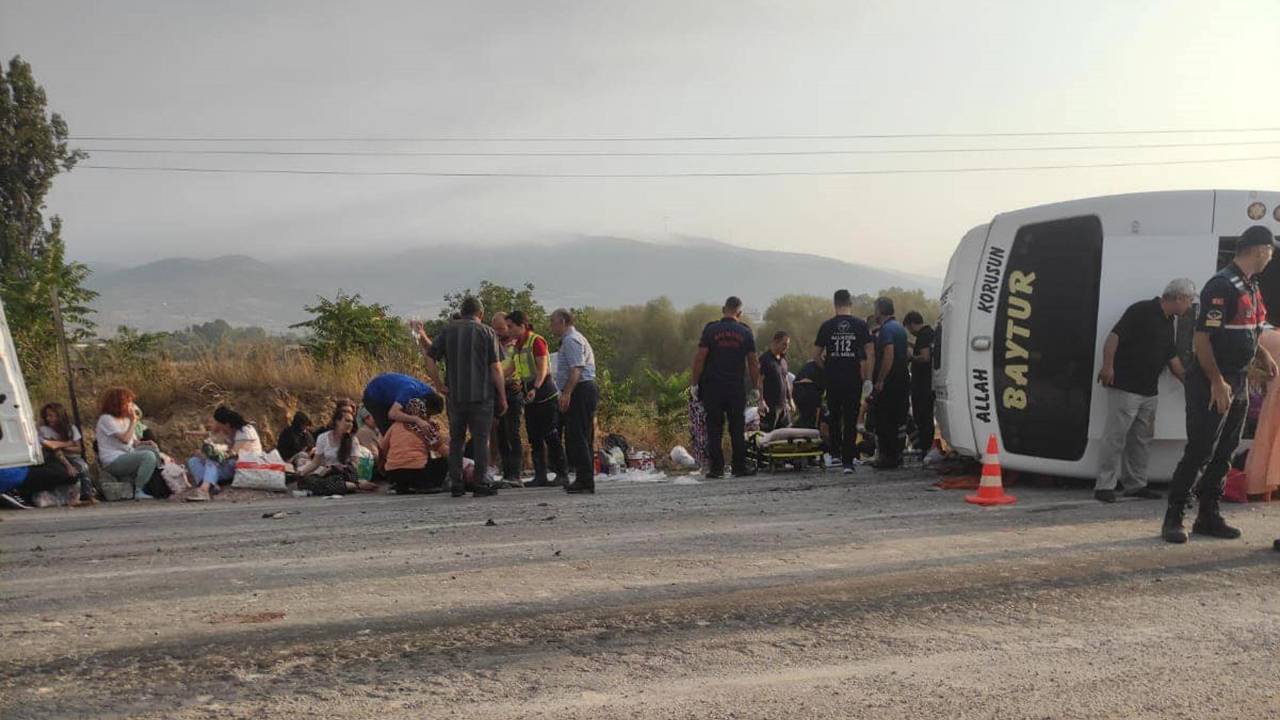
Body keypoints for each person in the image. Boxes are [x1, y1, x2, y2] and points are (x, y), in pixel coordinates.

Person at [1163, 225, 1278, 543]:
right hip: (1212, 382)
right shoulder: (1222, 285)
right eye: (1270, 250)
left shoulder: (1250, 287)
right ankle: (1174, 516)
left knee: (1225, 452)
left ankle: (1208, 515)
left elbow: (1248, 330)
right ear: (1259, 250)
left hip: (1239, 382)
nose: (1271, 256)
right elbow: (1202, 340)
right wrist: (1216, 382)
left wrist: (1262, 355)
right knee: (1200, 450)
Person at [1094, 279, 1195, 503]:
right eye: (1189, 300)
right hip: (1126, 387)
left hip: (1150, 391)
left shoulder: (1169, 322)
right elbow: (1114, 337)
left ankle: (1136, 484)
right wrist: (1108, 365)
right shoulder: (1141, 310)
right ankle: (1104, 485)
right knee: (1115, 437)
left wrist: (1191, 384)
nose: (1190, 306)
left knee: (1141, 439)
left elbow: (1172, 357)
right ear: (1178, 298)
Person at [426, 296, 508, 498]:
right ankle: (480, 482)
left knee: (456, 440)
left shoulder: (448, 330)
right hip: (481, 397)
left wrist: (439, 384)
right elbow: (496, 368)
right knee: (481, 440)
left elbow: (429, 357)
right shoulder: (488, 332)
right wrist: (503, 396)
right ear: (480, 314)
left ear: (462, 312)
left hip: (455, 397)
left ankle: (456, 483)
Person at [691, 297, 764, 479]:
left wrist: (694, 383)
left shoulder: (711, 330)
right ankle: (739, 467)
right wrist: (756, 387)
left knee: (714, 428)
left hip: (712, 387)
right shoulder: (746, 332)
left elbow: (700, 358)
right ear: (739, 313)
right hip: (735, 388)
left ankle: (716, 469)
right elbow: (753, 363)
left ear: (724, 309)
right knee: (736, 428)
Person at [814, 290, 874, 474]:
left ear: (835, 304)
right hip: (852, 378)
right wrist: (868, 378)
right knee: (850, 419)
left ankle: (835, 455)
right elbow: (870, 352)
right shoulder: (861, 325)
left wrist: (828, 368)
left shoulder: (827, 326)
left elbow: (816, 355)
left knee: (834, 417)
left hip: (833, 379)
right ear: (850, 304)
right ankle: (848, 461)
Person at [509, 310, 568, 487]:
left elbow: (542, 368)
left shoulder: (536, 341)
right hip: (529, 397)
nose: (508, 329)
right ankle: (540, 475)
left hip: (544, 394)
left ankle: (562, 473)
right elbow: (512, 368)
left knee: (551, 435)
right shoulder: (518, 345)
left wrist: (535, 387)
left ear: (522, 326)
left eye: (511, 326)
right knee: (534, 437)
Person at [550, 307, 599, 494]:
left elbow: (577, 369)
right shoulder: (572, 339)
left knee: (578, 436)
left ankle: (585, 480)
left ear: (563, 322)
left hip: (580, 389)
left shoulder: (571, 340)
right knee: (580, 436)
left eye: (553, 322)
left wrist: (567, 393)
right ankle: (584, 478)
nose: (551, 327)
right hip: (581, 389)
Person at [94, 387, 162, 497]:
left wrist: (146, 443)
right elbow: (125, 440)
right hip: (113, 460)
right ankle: (139, 490)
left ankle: (155, 486)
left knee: (152, 450)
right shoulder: (106, 419)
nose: (131, 405)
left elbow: (133, 442)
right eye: (128, 402)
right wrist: (133, 421)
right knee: (148, 456)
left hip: (127, 454)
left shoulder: (125, 419)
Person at [184, 406, 262, 501]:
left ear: (227, 424)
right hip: (230, 465)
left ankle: (204, 490)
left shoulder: (245, 431)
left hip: (243, 466)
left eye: (218, 423)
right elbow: (211, 436)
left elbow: (234, 453)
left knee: (212, 461)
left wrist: (216, 454)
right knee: (193, 461)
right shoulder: (228, 431)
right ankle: (210, 485)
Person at [296, 407, 378, 494]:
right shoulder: (323, 438)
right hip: (327, 474)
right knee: (305, 481)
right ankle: (351, 486)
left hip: (345, 474)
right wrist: (302, 473)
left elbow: (354, 465)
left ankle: (349, 485)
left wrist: (334, 468)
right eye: (347, 421)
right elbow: (315, 463)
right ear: (337, 421)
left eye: (351, 422)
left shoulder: (353, 440)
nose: (350, 424)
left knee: (331, 482)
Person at [380, 395, 450, 494]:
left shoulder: (395, 426)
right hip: (417, 472)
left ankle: (400, 486)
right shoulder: (426, 427)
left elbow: (383, 448)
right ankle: (426, 486)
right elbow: (443, 451)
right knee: (443, 462)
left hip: (393, 473)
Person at [491, 312, 525, 486]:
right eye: (494, 329)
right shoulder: (492, 344)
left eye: (501, 329)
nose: (497, 332)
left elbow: (515, 368)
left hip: (512, 391)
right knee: (500, 434)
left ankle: (515, 474)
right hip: (496, 392)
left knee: (513, 432)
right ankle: (506, 472)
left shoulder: (517, 345)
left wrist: (500, 377)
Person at [1245, 328, 1280, 498]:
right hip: (1274, 398)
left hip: (1273, 399)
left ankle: (1261, 484)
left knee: (1266, 439)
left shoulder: (1266, 337)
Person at [38, 402, 92, 505]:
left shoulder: (71, 428)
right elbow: (54, 449)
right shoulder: (45, 430)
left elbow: (78, 448)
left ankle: (87, 494)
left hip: (73, 456)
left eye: (51, 416)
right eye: (47, 416)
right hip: (58, 458)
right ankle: (75, 497)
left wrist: (60, 445)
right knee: (74, 470)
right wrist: (68, 444)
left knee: (83, 466)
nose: (48, 419)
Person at [902, 312, 937, 453]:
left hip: (923, 384)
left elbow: (925, 357)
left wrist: (911, 357)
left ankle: (925, 448)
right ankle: (926, 447)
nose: (910, 332)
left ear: (912, 324)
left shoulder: (923, 335)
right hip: (928, 383)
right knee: (926, 416)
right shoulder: (929, 333)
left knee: (922, 416)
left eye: (909, 329)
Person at [360, 373, 437, 434]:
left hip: (389, 394)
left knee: (406, 423)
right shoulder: (410, 391)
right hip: (374, 397)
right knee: (391, 431)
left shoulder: (428, 392)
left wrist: (428, 421)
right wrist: (417, 420)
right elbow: (392, 414)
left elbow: (424, 409)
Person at [759, 331, 793, 431]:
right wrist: (761, 401)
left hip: (783, 406)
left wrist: (790, 399)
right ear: (775, 342)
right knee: (768, 437)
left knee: (787, 436)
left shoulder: (783, 360)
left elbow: (786, 380)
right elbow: (759, 381)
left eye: (787, 345)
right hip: (770, 407)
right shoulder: (765, 359)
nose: (786, 347)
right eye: (784, 344)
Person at [792, 359, 825, 431]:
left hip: (799, 390)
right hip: (808, 390)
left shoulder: (811, 364)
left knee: (805, 418)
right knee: (809, 420)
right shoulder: (825, 366)